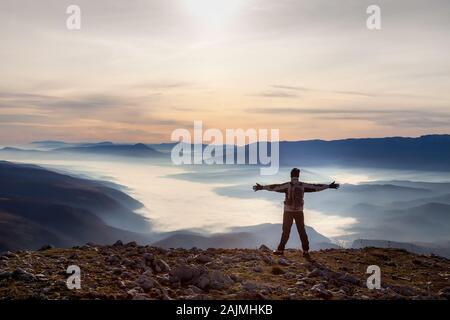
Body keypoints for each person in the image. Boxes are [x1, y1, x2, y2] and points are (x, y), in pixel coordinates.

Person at [253, 168, 339, 258]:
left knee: (286, 231)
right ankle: (305, 252)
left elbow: (274, 187)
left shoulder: (287, 186)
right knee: (302, 231)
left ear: (291, 176)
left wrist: (262, 187)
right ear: (298, 176)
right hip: (299, 212)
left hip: (288, 212)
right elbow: (316, 187)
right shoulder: (303, 185)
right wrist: (328, 186)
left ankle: (280, 250)